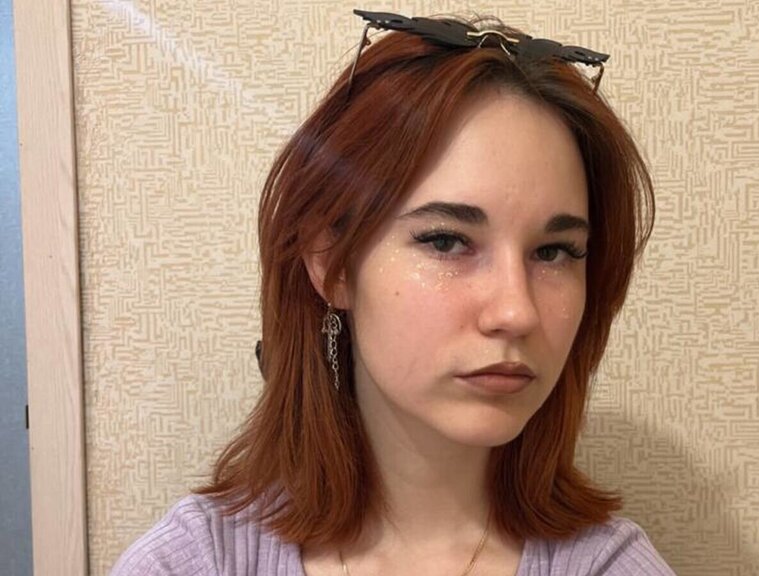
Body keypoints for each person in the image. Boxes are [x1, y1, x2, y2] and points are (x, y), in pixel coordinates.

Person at [112, 8, 673, 576]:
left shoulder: (610, 566)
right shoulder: (199, 561)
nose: (515, 310)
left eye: (554, 252)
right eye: (447, 241)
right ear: (331, 263)